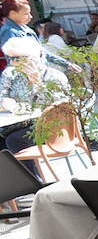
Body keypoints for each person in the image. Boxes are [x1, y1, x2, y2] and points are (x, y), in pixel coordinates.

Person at [1, 37, 68, 177]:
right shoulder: (11, 74)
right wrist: (5, 103)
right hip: (17, 123)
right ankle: (12, 188)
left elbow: (58, 109)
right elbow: (2, 95)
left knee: (14, 140)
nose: (12, 62)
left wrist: (38, 84)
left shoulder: (54, 76)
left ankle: (34, 183)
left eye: (17, 59)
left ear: (32, 57)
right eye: (10, 58)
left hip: (52, 126)